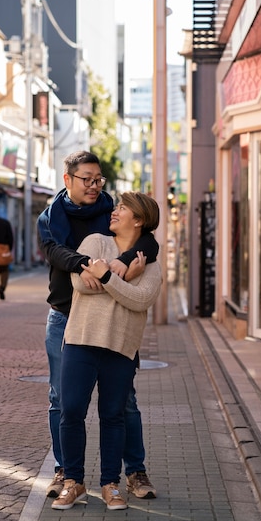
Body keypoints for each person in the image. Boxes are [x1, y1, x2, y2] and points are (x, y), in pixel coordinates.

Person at [37, 151, 159, 501]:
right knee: (62, 400)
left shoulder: (111, 210)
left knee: (124, 403)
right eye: (86, 179)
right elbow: (58, 255)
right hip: (65, 315)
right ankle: (66, 473)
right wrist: (90, 266)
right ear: (68, 180)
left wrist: (115, 265)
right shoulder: (50, 218)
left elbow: (146, 240)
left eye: (98, 179)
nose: (94, 186)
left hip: (115, 323)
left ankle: (133, 471)